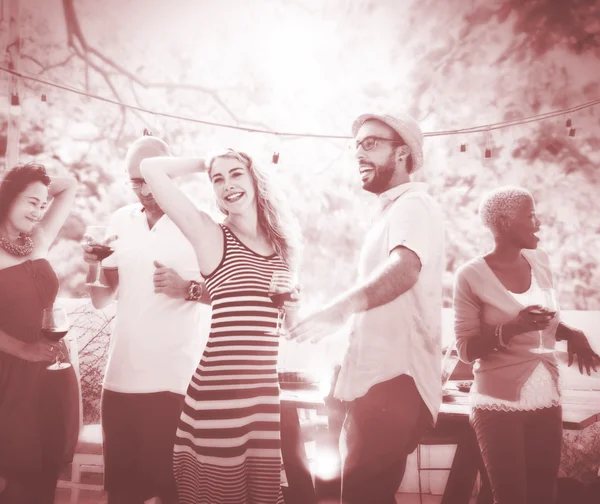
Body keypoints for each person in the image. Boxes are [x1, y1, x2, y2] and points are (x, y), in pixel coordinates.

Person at [289, 112, 445, 504]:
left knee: (360, 493)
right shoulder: (389, 212)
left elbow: (404, 269)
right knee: (367, 493)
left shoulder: (414, 205)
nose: (359, 153)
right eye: (356, 145)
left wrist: (338, 310)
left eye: (371, 143)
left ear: (403, 154)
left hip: (397, 380)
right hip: (378, 381)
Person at [140, 148, 301, 504]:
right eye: (218, 179)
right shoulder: (211, 235)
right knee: (219, 495)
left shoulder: (282, 247)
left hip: (263, 395)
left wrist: (294, 305)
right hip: (220, 393)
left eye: (236, 173)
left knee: (262, 496)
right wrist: (206, 161)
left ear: (255, 178)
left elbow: (289, 324)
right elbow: (150, 168)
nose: (228, 184)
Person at [82, 136, 210, 504]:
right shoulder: (121, 219)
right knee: (121, 495)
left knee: (170, 492)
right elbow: (102, 297)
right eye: (134, 181)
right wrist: (93, 262)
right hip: (119, 379)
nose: (142, 189)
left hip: (172, 381)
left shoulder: (200, 223)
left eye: (148, 179)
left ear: (170, 173)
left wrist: (186, 289)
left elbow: (229, 295)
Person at [453, 186, 600, 504]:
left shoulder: (541, 261)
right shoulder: (470, 276)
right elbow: (465, 348)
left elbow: (544, 321)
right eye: (530, 215)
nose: (539, 223)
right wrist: (511, 328)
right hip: (497, 404)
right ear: (505, 223)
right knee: (511, 498)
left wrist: (571, 333)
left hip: (547, 398)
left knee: (544, 496)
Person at [0, 163, 79, 504]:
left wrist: (37, 187)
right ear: (7, 198)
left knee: (47, 468)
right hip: (9, 376)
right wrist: (22, 350)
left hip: (52, 372)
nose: (38, 211)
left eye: (42, 204)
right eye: (31, 202)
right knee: (16, 472)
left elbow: (70, 185)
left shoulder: (38, 238)